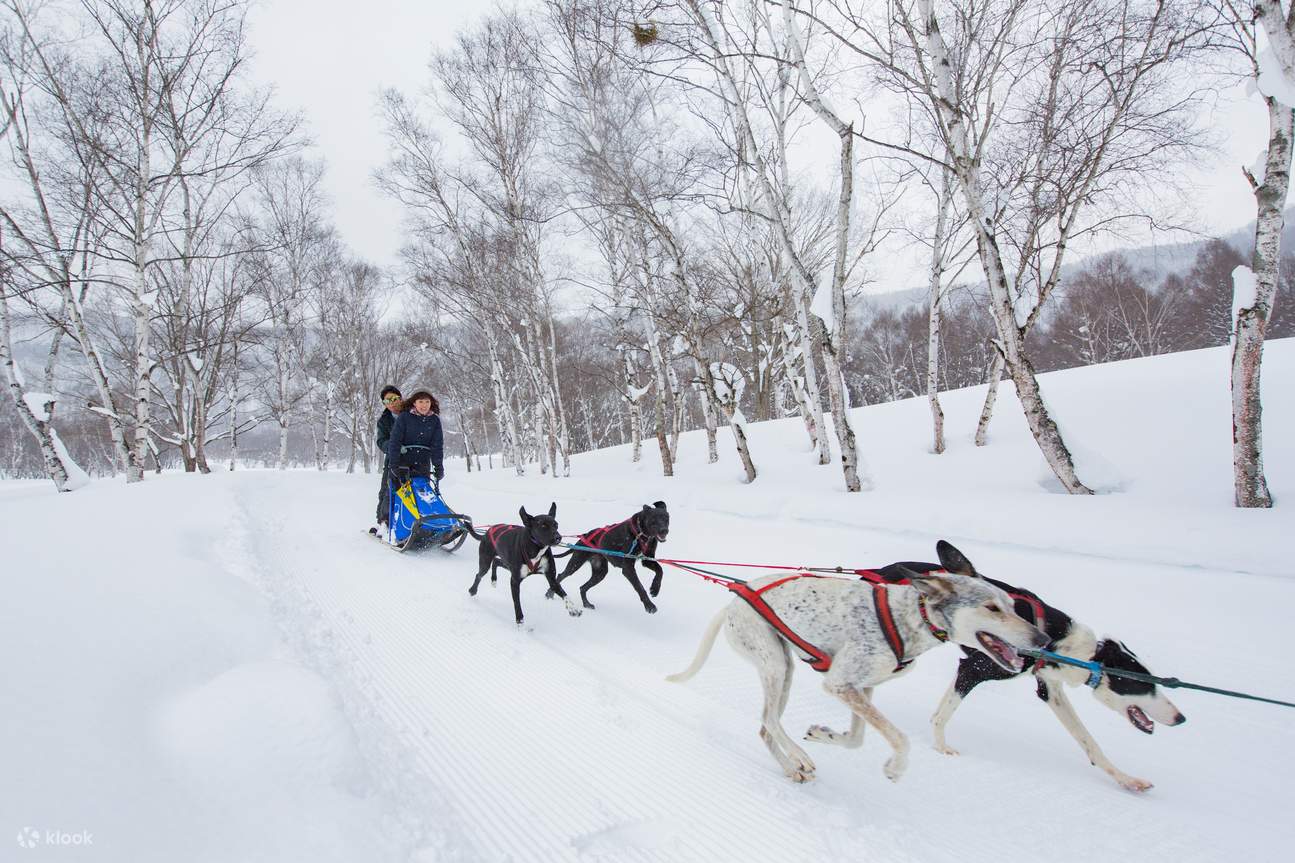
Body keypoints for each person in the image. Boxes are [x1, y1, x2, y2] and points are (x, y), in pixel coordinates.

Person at [386, 388, 444, 484]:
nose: (424, 405)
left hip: (423, 464)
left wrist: (438, 466)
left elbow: (437, 446)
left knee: (422, 490)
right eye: (420, 401)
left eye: (427, 402)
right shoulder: (404, 417)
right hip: (402, 462)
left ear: (431, 403)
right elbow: (395, 442)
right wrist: (394, 465)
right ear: (414, 403)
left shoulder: (434, 420)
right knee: (401, 491)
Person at [374, 385, 402, 527]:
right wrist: (393, 447)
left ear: (400, 398)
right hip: (392, 460)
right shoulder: (384, 420)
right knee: (387, 491)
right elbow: (381, 441)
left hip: (414, 459)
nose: (391, 403)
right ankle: (383, 524)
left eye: (394, 399)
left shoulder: (411, 413)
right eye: (387, 401)